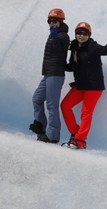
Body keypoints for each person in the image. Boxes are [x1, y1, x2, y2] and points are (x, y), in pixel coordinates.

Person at [60, 22, 107, 149]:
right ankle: (76, 133)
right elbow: (72, 66)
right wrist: (59, 65)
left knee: (86, 113)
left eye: (85, 33)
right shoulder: (74, 47)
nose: (81, 36)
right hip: (80, 85)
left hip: (93, 87)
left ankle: (80, 141)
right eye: (79, 33)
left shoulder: (93, 47)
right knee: (65, 106)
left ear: (89, 35)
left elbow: (106, 50)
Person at [30, 8, 71, 143]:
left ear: (60, 21)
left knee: (52, 105)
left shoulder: (64, 36)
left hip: (56, 74)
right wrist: (53, 36)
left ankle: (52, 136)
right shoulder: (53, 34)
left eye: (54, 21)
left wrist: (55, 37)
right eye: (50, 21)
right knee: (37, 98)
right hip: (48, 73)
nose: (52, 24)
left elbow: (60, 55)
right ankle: (41, 127)